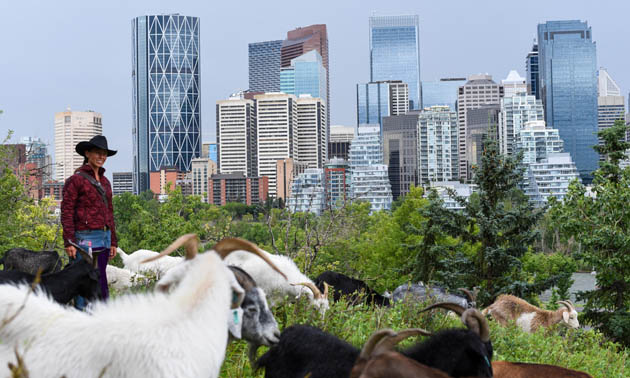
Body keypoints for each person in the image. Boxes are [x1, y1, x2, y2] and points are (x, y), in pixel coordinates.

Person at [61, 135, 118, 309]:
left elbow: (109, 211)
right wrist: (69, 241)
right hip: (84, 238)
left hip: (104, 236)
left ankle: (100, 317)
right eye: (97, 153)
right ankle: (80, 318)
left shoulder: (106, 182)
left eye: (104, 154)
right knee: (83, 280)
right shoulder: (76, 180)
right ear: (87, 153)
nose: (101, 157)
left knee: (100, 279)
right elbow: (67, 210)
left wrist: (113, 240)